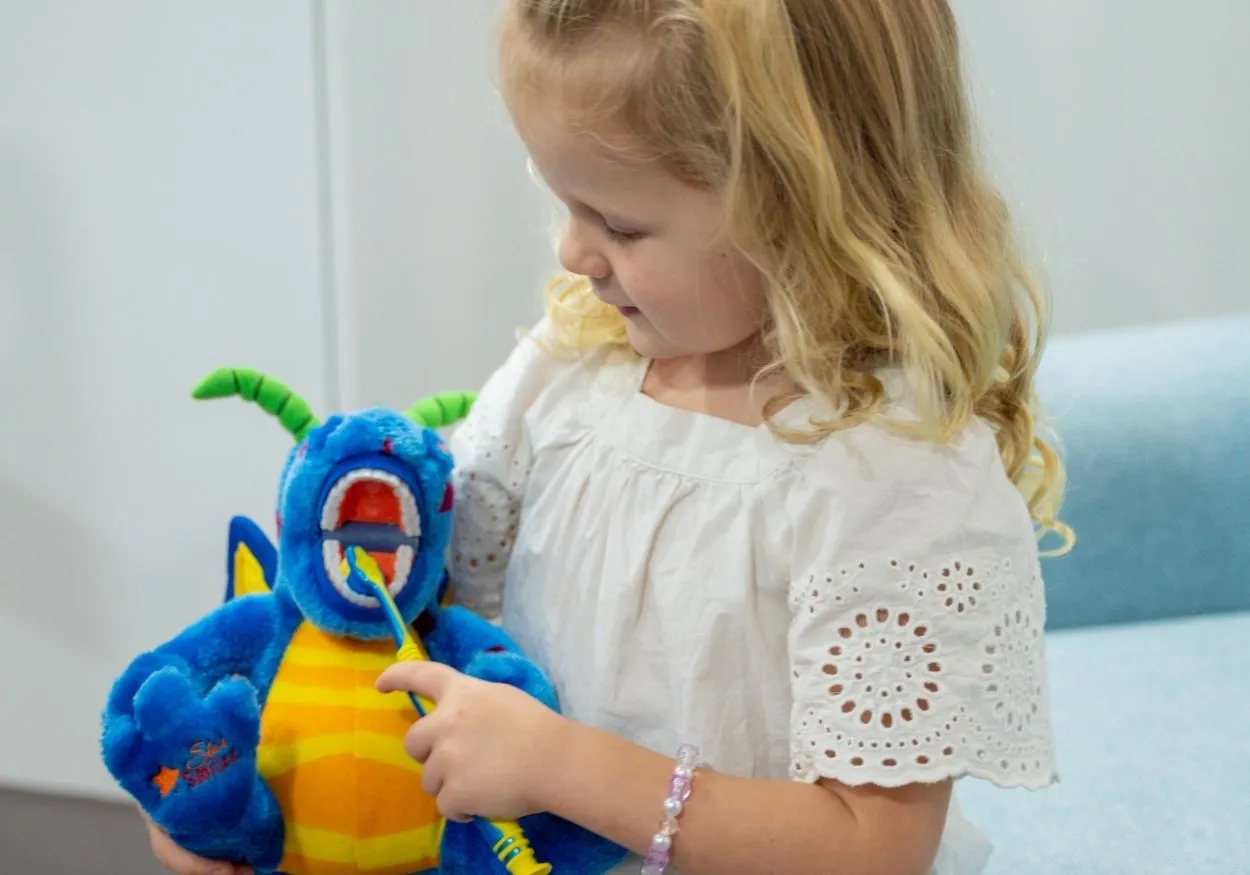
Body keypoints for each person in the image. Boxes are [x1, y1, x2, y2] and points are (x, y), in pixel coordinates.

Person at [145, 2, 1073, 874]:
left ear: (808, 210)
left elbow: (873, 844)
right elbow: (407, 599)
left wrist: (561, 768)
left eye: (619, 223)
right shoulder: (567, 378)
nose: (572, 252)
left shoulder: (888, 473)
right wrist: (237, 790)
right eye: (565, 203)